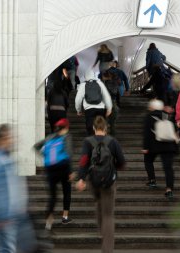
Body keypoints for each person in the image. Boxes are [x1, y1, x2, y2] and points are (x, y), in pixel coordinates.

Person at [0, 124, 37, 253]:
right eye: (11, 137)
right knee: (7, 248)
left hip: (12, 216)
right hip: (6, 217)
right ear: (2, 139)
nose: (14, 141)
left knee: (1, 248)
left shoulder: (5, 159)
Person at [76, 116, 125, 253]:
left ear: (93, 128)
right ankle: (107, 248)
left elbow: (84, 161)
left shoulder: (88, 142)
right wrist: (114, 166)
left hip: (94, 180)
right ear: (105, 128)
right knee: (108, 214)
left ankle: (100, 231)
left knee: (98, 202)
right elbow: (121, 162)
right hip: (109, 181)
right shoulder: (113, 142)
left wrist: (81, 178)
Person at [34, 119, 74, 232]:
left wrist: (45, 155)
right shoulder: (67, 137)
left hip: (50, 169)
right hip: (63, 168)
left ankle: (48, 222)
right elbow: (69, 154)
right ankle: (65, 217)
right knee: (67, 191)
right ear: (66, 128)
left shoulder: (49, 137)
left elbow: (36, 146)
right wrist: (70, 171)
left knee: (53, 196)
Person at [143, 99, 177, 198]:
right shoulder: (166, 115)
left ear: (152, 107)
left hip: (155, 145)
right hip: (168, 145)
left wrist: (145, 147)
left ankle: (152, 180)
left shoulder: (149, 116)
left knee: (148, 160)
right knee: (168, 168)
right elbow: (173, 129)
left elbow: (147, 134)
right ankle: (169, 189)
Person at [75, 70, 112, 136]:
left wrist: (79, 110)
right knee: (101, 128)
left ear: (85, 76)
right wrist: (109, 108)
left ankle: (92, 144)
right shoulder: (100, 83)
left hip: (89, 110)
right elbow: (106, 96)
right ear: (94, 75)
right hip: (101, 110)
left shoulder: (83, 85)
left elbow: (78, 99)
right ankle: (102, 143)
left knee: (90, 130)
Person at [101, 70, 120, 136]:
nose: (102, 78)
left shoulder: (107, 83)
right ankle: (112, 137)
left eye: (103, 76)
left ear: (106, 76)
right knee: (112, 123)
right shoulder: (115, 83)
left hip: (108, 103)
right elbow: (117, 94)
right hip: (114, 103)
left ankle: (103, 136)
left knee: (104, 121)